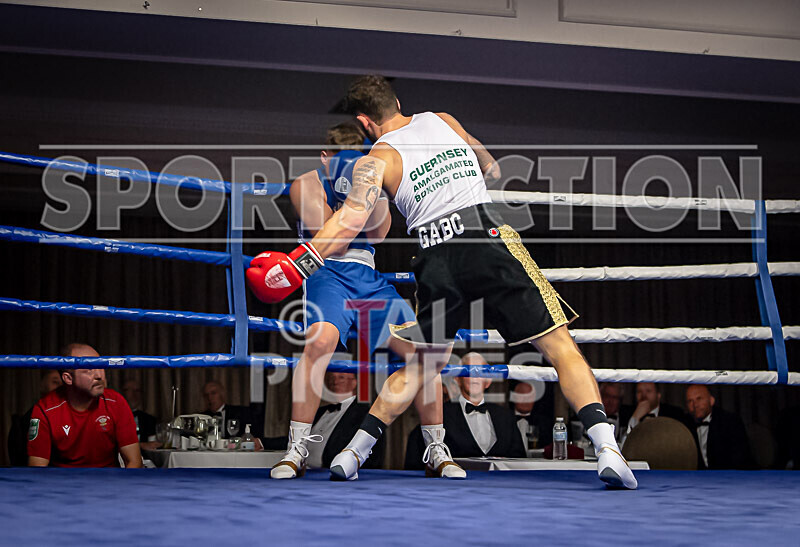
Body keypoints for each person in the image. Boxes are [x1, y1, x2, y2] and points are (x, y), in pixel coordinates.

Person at [247, 75, 637, 488]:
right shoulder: (443, 119)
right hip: (483, 236)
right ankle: (607, 448)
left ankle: (354, 451)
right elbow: (491, 165)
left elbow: (351, 220)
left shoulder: (375, 160)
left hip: (434, 256)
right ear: (396, 101)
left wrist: (298, 262)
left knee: (425, 362)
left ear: (363, 122)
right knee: (559, 346)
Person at [254, 122, 463, 479]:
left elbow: (378, 235)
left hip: (368, 277)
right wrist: (352, 196)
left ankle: (435, 449)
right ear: (325, 158)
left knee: (424, 350)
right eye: (344, 162)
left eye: (359, 162)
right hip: (326, 272)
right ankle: (296, 449)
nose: (352, 169)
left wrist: (373, 188)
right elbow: (332, 236)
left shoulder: (371, 177)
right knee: (319, 342)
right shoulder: (305, 184)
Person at [27, 343, 142, 468]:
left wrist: (119, 488)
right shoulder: (45, 409)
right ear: (68, 378)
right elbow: (37, 468)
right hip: (62, 484)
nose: (99, 376)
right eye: (89, 369)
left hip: (108, 483)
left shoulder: (115, 402)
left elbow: (134, 462)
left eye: (100, 366)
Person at [405, 353, 525, 468]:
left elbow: (519, 459)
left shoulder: (506, 417)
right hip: (454, 486)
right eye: (469, 371)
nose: (475, 377)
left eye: (481, 371)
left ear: (488, 381)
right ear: (457, 379)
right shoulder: (440, 414)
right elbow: (417, 458)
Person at [685, 384, 753, 470]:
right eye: (690, 401)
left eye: (699, 399)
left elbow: (741, 459)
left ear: (711, 400)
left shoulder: (730, 421)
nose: (695, 405)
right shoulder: (685, 424)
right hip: (699, 479)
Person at [7, 369, 63, 466]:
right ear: (41, 385)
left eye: (63, 384)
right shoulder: (31, 417)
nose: (60, 387)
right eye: (55, 382)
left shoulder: (66, 414)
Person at [509, 380, 552, 450]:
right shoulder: (504, 421)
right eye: (522, 396)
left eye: (529, 397)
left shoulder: (544, 423)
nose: (526, 400)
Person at [121, 379, 158, 445]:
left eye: (137, 391)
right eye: (129, 390)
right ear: (123, 393)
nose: (134, 394)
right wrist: (141, 445)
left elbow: (152, 445)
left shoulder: (149, 420)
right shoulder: (112, 418)